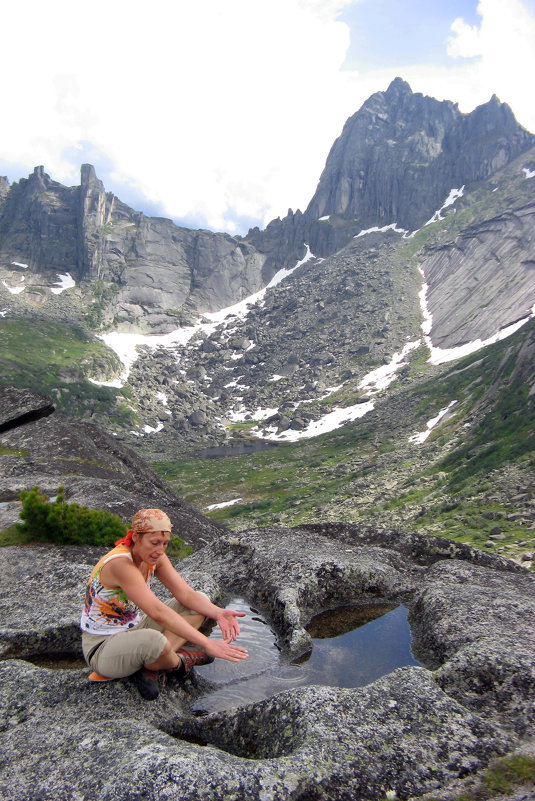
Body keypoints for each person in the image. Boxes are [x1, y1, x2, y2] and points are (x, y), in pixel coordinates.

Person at [80, 508, 248, 699]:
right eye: (154, 543)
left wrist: (218, 613)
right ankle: (179, 661)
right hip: (102, 647)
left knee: (199, 601)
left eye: (165, 544)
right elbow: (157, 612)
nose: (160, 550)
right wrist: (207, 643)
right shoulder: (120, 564)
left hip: (134, 628)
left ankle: (153, 665)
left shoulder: (154, 557)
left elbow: (185, 593)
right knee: (154, 641)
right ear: (135, 537)